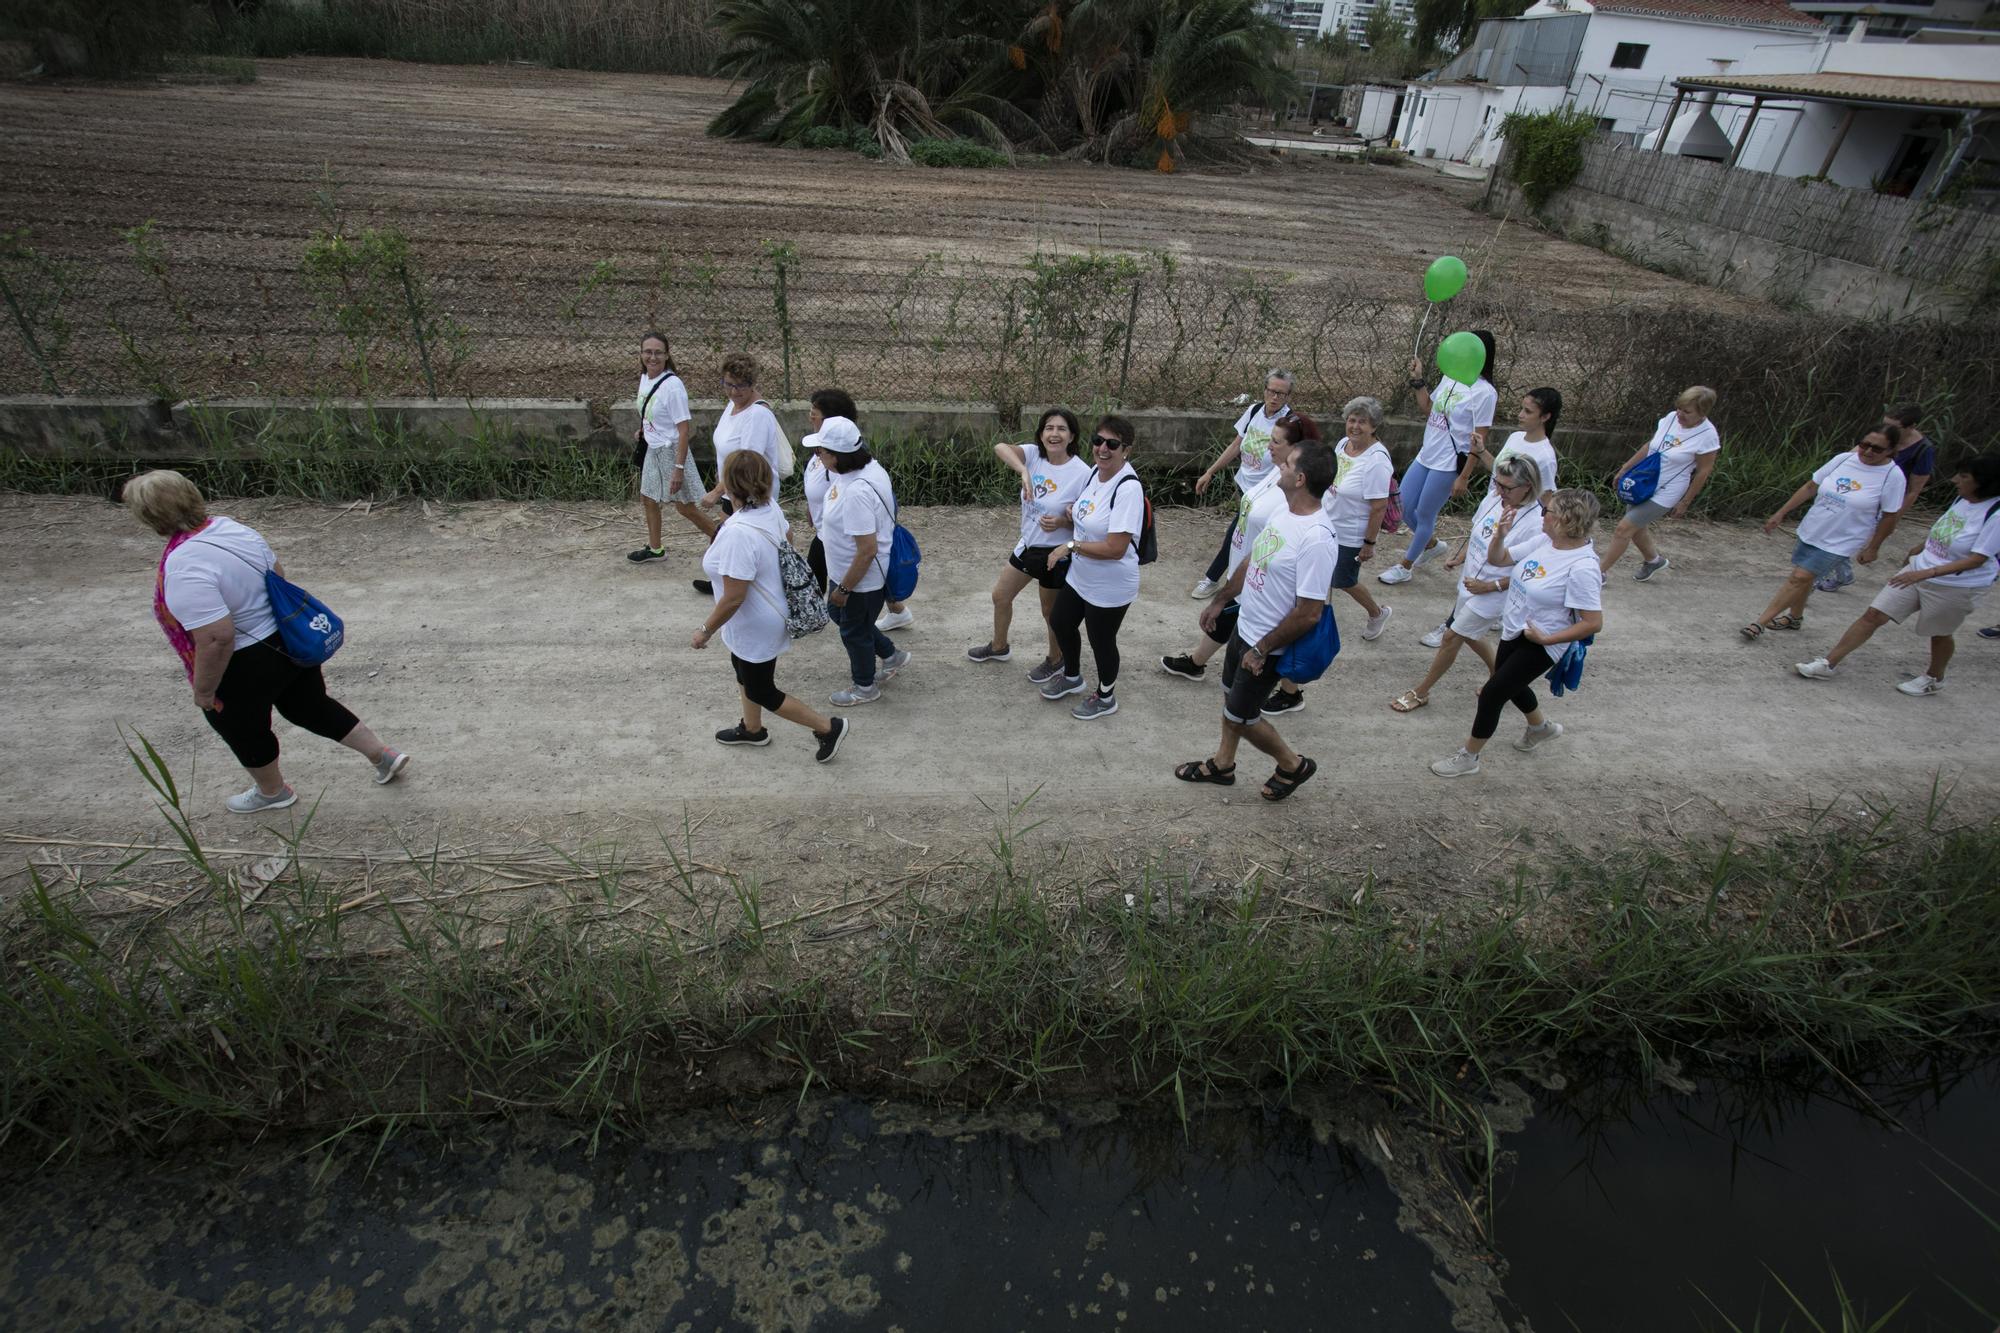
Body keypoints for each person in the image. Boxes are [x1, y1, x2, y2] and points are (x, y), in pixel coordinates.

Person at [124, 469, 409, 813]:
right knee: (311, 706)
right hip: (287, 642)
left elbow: (216, 638)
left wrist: (204, 690)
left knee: (243, 729)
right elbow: (277, 575)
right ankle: (381, 754)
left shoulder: (183, 565)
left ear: (150, 517)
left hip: (245, 662)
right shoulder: (231, 528)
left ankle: (273, 792)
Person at [1173, 439, 1337, 801]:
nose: (1280, 466)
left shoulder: (1316, 539)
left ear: (1301, 479)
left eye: (1288, 464)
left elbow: (1310, 612)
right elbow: (1253, 560)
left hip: (1267, 646)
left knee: (1242, 717)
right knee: (1231, 699)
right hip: (1245, 629)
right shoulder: (1285, 512)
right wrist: (1221, 600)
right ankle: (1223, 764)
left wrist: (1262, 648)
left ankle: (1293, 765)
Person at [1430, 489, 1604, 778]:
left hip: (1543, 641)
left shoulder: (1582, 567)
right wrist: (1500, 535)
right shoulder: (1546, 541)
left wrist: (1546, 639)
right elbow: (1499, 559)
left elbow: (1593, 622)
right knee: (1512, 684)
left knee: (1492, 693)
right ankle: (1540, 727)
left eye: (1547, 511)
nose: (1541, 515)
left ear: (1564, 519)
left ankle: (1469, 757)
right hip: (1515, 629)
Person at [1795, 454, 2000, 695]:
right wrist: (1919, 550)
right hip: (1918, 570)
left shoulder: (1995, 515)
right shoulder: (1962, 499)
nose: (1955, 480)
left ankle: (1934, 678)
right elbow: (1947, 530)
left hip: (1955, 585)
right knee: (1873, 615)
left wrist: (1926, 573)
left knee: (1939, 633)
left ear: (1984, 482)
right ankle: (1829, 663)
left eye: (1964, 476)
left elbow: (1977, 559)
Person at [692, 452, 850, 761]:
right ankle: (752, 729)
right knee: (742, 669)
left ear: (730, 486)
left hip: (757, 623)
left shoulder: (738, 533)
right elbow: (787, 537)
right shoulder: (769, 508)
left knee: (761, 689)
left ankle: (828, 727)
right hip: (757, 617)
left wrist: (705, 630)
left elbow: (734, 596)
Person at [1159, 414, 1314, 685]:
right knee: (1228, 614)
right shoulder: (1275, 472)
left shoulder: (1292, 491)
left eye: (1276, 442)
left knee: (1260, 635)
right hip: (1243, 565)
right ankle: (1197, 663)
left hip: (1260, 574)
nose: (1268, 445)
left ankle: (1289, 692)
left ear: (1297, 449)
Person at [1393, 455, 1544, 714]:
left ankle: (1421, 691)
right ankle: (1499, 675)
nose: (1499, 491)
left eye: (1507, 487)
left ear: (1528, 486)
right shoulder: (1494, 499)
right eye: (1497, 483)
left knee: (1452, 636)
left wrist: (1491, 586)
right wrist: (1460, 558)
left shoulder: (1536, 524)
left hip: (1494, 593)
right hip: (1471, 583)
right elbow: (1477, 533)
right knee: (1471, 635)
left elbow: (1529, 573)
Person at [1420, 387, 1562, 647]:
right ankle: (1463, 625)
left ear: (1545, 417)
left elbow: (1546, 498)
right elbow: (1500, 468)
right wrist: (1482, 451)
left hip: (1513, 523)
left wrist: (1545, 531)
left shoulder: (1545, 456)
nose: (1520, 415)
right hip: (1493, 509)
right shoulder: (1516, 437)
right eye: (1521, 408)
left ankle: (1453, 627)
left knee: (1490, 574)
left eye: (1528, 411)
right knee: (1475, 570)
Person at [1742, 425, 1906, 640]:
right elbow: (1810, 486)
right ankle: (1794, 618)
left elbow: (1890, 516)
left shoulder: (1893, 476)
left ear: (1891, 450)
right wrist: (1781, 512)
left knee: (1799, 577)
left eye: (1876, 449)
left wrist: (1873, 547)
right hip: (1815, 527)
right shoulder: (1843, 459)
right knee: (1805, 578)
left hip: (1843, 539)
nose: (1867, 451)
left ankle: (1759, 623)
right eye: (1864, 445)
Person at [966, 407, 1092, 677]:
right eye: (1049, 428)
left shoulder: (1082, 473)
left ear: (1072, 436)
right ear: (1041, 433)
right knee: (1001, 596)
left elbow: (1088, 521)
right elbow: (1000, 447)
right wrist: (1023, 470)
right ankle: (999, 647)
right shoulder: (1034, 455)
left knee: (1049, 611)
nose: (1054, 434)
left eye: (1061, 429)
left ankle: (1055, 659)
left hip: (1056, 553)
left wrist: (1062, 522)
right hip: (1028, 545)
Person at [1045, 415, 1145, 720]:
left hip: (1110, 584)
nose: (1103, 449)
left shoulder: (1128, 488)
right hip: (1081, 575)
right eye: (1098, 441)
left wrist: (1070, 546)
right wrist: (1072, 514)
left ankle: (1105, 696)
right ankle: (1072, 676)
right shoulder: (1094, 472)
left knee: (1101, 640)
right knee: (1060, 621)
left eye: (1112, 444)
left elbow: (1116, 548)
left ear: (1126, 450)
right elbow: (1090, 512)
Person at [1380, 330, 1498, 585]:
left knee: (1425, 514)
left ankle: (1405, 566)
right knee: (1403, 507)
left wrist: (1464, 476)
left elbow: (1479, 439)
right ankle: (1432, 544)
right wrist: (1418, 380)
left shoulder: (1485, 392)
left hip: (1448, 463)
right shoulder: (1450, 377)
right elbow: (1429, 408)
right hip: (1426, 455)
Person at [808, 415, 911, 706]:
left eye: (820, 451)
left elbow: (867, 550)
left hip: (859, 580)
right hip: (844, 572)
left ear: (836, 455)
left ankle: (864, 686)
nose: (817, 456)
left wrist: (845, 589)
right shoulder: (867, 468)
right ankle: (891, 655)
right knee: (842, 616)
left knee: (854, 631)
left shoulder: (857, 492)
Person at [1190, 370, 1295, 599]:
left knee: (1236, 534)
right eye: (1271, 391)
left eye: (1281, 394)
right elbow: (1236, 445)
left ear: (1288, 396)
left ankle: (1213, 579)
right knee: (1246, 537)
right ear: (1264, 390)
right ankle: (1246, 581)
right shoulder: (1254, 411)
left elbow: (1292, 459)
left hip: (1264, 493)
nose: (1275, 397)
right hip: (1244, 487)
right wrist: (1210, 472)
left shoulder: (1290, 423)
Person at [692, 353, 789, 596]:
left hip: (750, 490)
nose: (734, 391)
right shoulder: (733, 405)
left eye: (741, 386)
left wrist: (715, 492)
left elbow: (747, 464)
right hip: (732, 489)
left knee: (745, 539)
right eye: (729, 384)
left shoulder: (757, 415)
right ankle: (725, 580)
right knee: (725, 538)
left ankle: (752, 585)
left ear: (753, 384)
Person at [1599, 386, 1721, 579]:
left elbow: (1703, 471)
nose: (1680, 414)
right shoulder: (1671, 418)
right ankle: (1653, 561)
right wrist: (1625, 468)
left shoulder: (1707, 435)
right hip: (1644, 482)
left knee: (1624, 528)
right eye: (1679, 408)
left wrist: (1685, 502)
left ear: (1702, 412)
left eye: (1687, 411)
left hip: (1668, 489)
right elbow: (1650, 446)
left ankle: (1599, 573)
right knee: (1636, 527)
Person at [1817, 402, 1935, 592]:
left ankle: (1813, 580)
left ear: (1911, 427)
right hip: (1855, 494)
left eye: (1894, 427)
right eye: (1885, 424)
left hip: (1883, 502)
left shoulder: (1923, 450)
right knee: (1834, 534)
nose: (1887, 431)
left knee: (1845, 540)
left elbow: (1914, 490)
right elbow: (1851, 458)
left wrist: (1893, 517)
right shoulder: (1877, 438)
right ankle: (1843, 574)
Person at [628, 330, 712, 564]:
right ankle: (655, 549)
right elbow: (652, 411)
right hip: (653, 448)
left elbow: (684, 430)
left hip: (671, 451)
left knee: (685, 508)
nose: (652, 357)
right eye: (647, 352)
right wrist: (645, 429)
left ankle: (723, 539)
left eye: (658, 353)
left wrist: (678, 468)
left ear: (667, 355)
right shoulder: (645, 377)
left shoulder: (673, 386)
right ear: (641, 354)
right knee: (648, 498)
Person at [800, 387, 858, 595]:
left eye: (814, 414)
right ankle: (897, 607)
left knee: (814, 585)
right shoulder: (822, 448)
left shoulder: (839, 458)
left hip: (833, 536)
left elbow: (844, 493)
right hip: (823, 532)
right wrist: (812, 506)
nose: (810, 418)